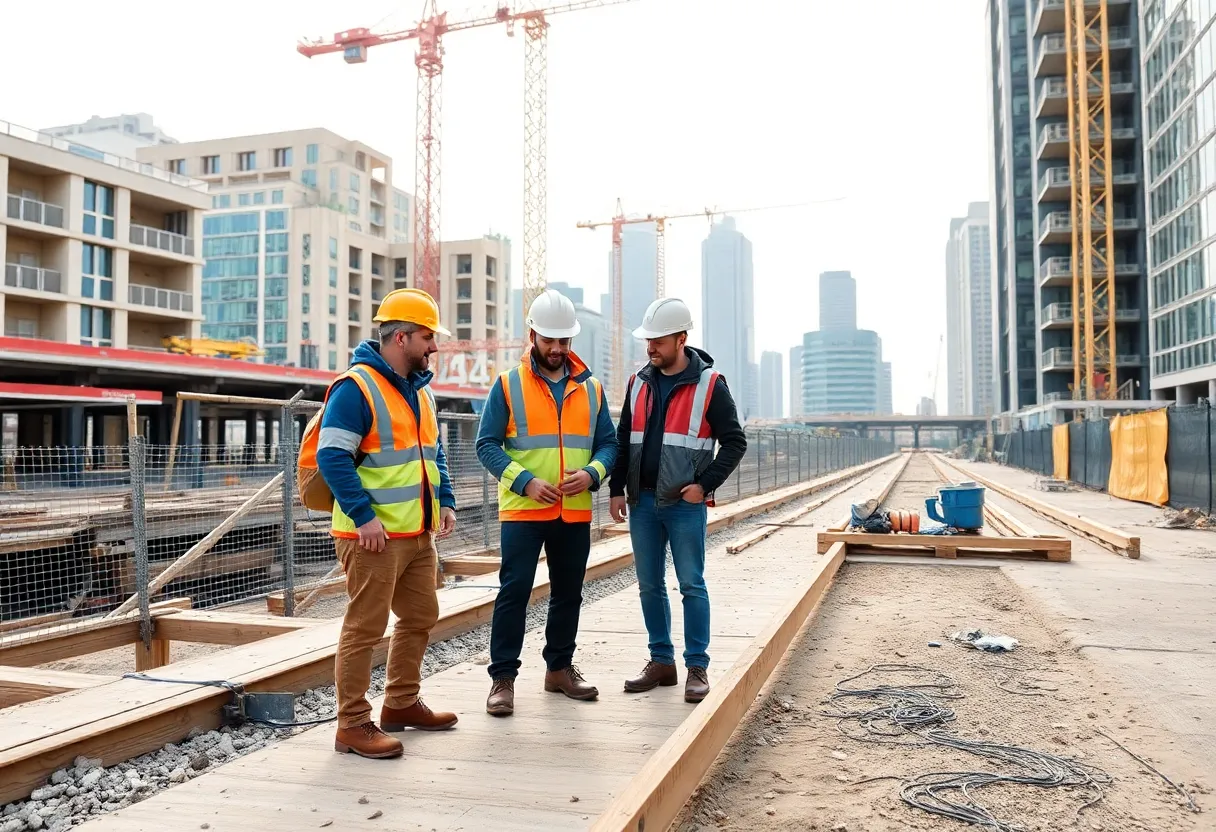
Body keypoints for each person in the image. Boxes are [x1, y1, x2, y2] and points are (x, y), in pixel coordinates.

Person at [317, 288, 459, 759]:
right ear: (400, 337)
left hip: (417, 532)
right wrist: (364, 518)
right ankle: (353, 724)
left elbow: (433, 454)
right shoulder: (355, 388)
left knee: (421, 616)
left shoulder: (421, 392)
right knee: (364, 627)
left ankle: (400, 703)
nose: (433, 346)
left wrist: (448, 501)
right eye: (426, 337)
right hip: (372, 537)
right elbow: (332, 456)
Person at [476, 289, 618, 716]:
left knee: (569, 593)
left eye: (564, 341)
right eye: (549, 340)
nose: (557, 349)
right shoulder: (507, 385)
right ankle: (503, 679)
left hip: (572, 511)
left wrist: (592, 474)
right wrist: (525, 481)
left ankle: (559, 669)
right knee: (514, 592)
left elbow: (608, 444)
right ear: (533, 334)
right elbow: (487, 444)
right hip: (523, 511)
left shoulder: (592, 389)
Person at [609, 297, 747, 703]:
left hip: (684, 505)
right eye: (648, 341)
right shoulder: (638, 382)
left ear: (681, 339)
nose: (650, 348)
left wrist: (704, 486)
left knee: (691, 584)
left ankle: (697, 666)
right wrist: (617, 489)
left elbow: (735, 442)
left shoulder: (710, 385)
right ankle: (661, 662)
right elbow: (623, 439)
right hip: (642, 504)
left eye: (658, 341)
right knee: (649, 585)